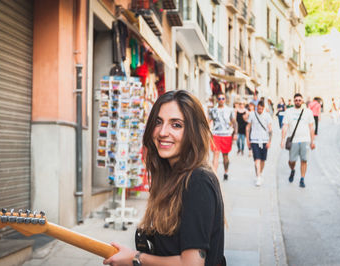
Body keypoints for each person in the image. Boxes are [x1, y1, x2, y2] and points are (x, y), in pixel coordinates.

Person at [103, 90, 226, 266]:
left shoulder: (198, 181)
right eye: (158, 122)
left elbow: (192, 264)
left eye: (176, 125)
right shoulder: (170, 175)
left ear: (194, 132)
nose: (162, 132)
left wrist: (135, 258)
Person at [280, 93, 315, 188]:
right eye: (296, 100)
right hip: (293, 140)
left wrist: (313, 141)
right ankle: (293, 170)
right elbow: (285, 126)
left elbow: (311, 127)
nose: (298, 101)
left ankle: (302, 179)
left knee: (304, 160)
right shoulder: (289, 112)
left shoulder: (308, 112)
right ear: (294, 101)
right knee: (292, 161)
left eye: (300, 100)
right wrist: (282, 140)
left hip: (305, 139)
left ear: (302, 101)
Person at [208, 93, 237, 181]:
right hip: (216, 134)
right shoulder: (212, 110)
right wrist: (207, 132)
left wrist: (235, 133)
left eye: (223, 98)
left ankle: (226, 171)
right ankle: (215, 175)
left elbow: (234, 122)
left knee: (225, 156)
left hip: (226, 135)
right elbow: (208, 121)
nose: (221, 100)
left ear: (225, 100)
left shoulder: (229, 110)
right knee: (215, 154)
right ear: (217, 99)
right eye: (219, 98)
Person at [246, 101, 273, 186]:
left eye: (261, 108)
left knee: (263, 160)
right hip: (254, 139)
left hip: (264, 140)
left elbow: (270, 129)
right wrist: (248, 140)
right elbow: (248, 127)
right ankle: (258, 176)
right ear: (256, 107)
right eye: (258, 108)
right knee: (257, 159)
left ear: (264, 108)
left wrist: (269, 141)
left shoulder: (267, 116)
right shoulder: (252, 114)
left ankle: (259, 173)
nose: (259, 110)